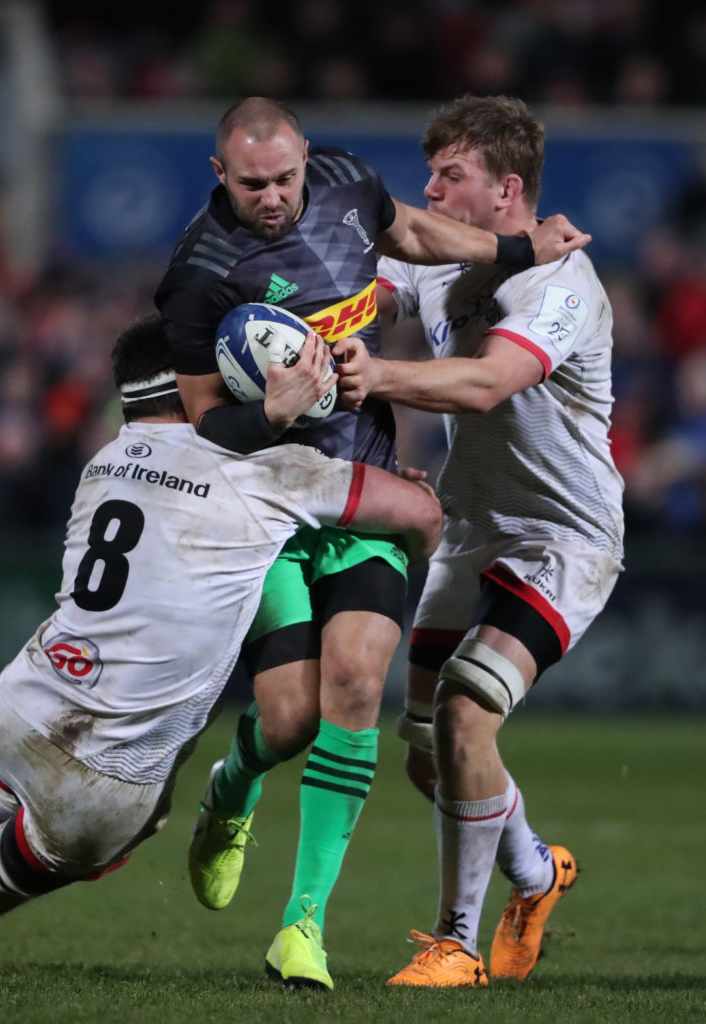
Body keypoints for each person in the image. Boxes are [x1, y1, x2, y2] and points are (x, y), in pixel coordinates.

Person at [0, 313, 442, 972]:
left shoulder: (105, 458)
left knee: (4, 773)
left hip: (23, 703)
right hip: (110, 777)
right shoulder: (271, 472)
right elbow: (418, 515)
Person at [154, 95, 590, 989]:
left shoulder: (349, 183)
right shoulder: (198, 273)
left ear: (306, 159)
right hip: (269, 511)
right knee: (290, 722)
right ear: (218, 176)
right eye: (251, 184)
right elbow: (204, 424)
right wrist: (269, 411)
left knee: (368, 692)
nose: (273, 198)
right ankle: (232, 789)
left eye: (284, 178)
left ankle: (304, 928)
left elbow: (414, 239)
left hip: (371, 500)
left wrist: (517, 249)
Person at [332, 94, 624, 986]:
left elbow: (491, 382)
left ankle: (455, 944)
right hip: (471, 528)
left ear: (505, 190)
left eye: (447, 176)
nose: (428, 190)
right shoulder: (447, 265)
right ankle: (535, 874)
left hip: (562, 539)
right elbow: (374, 281)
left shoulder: (558, 282)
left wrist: (379, 372)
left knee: (465, 714)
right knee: (428, 753)